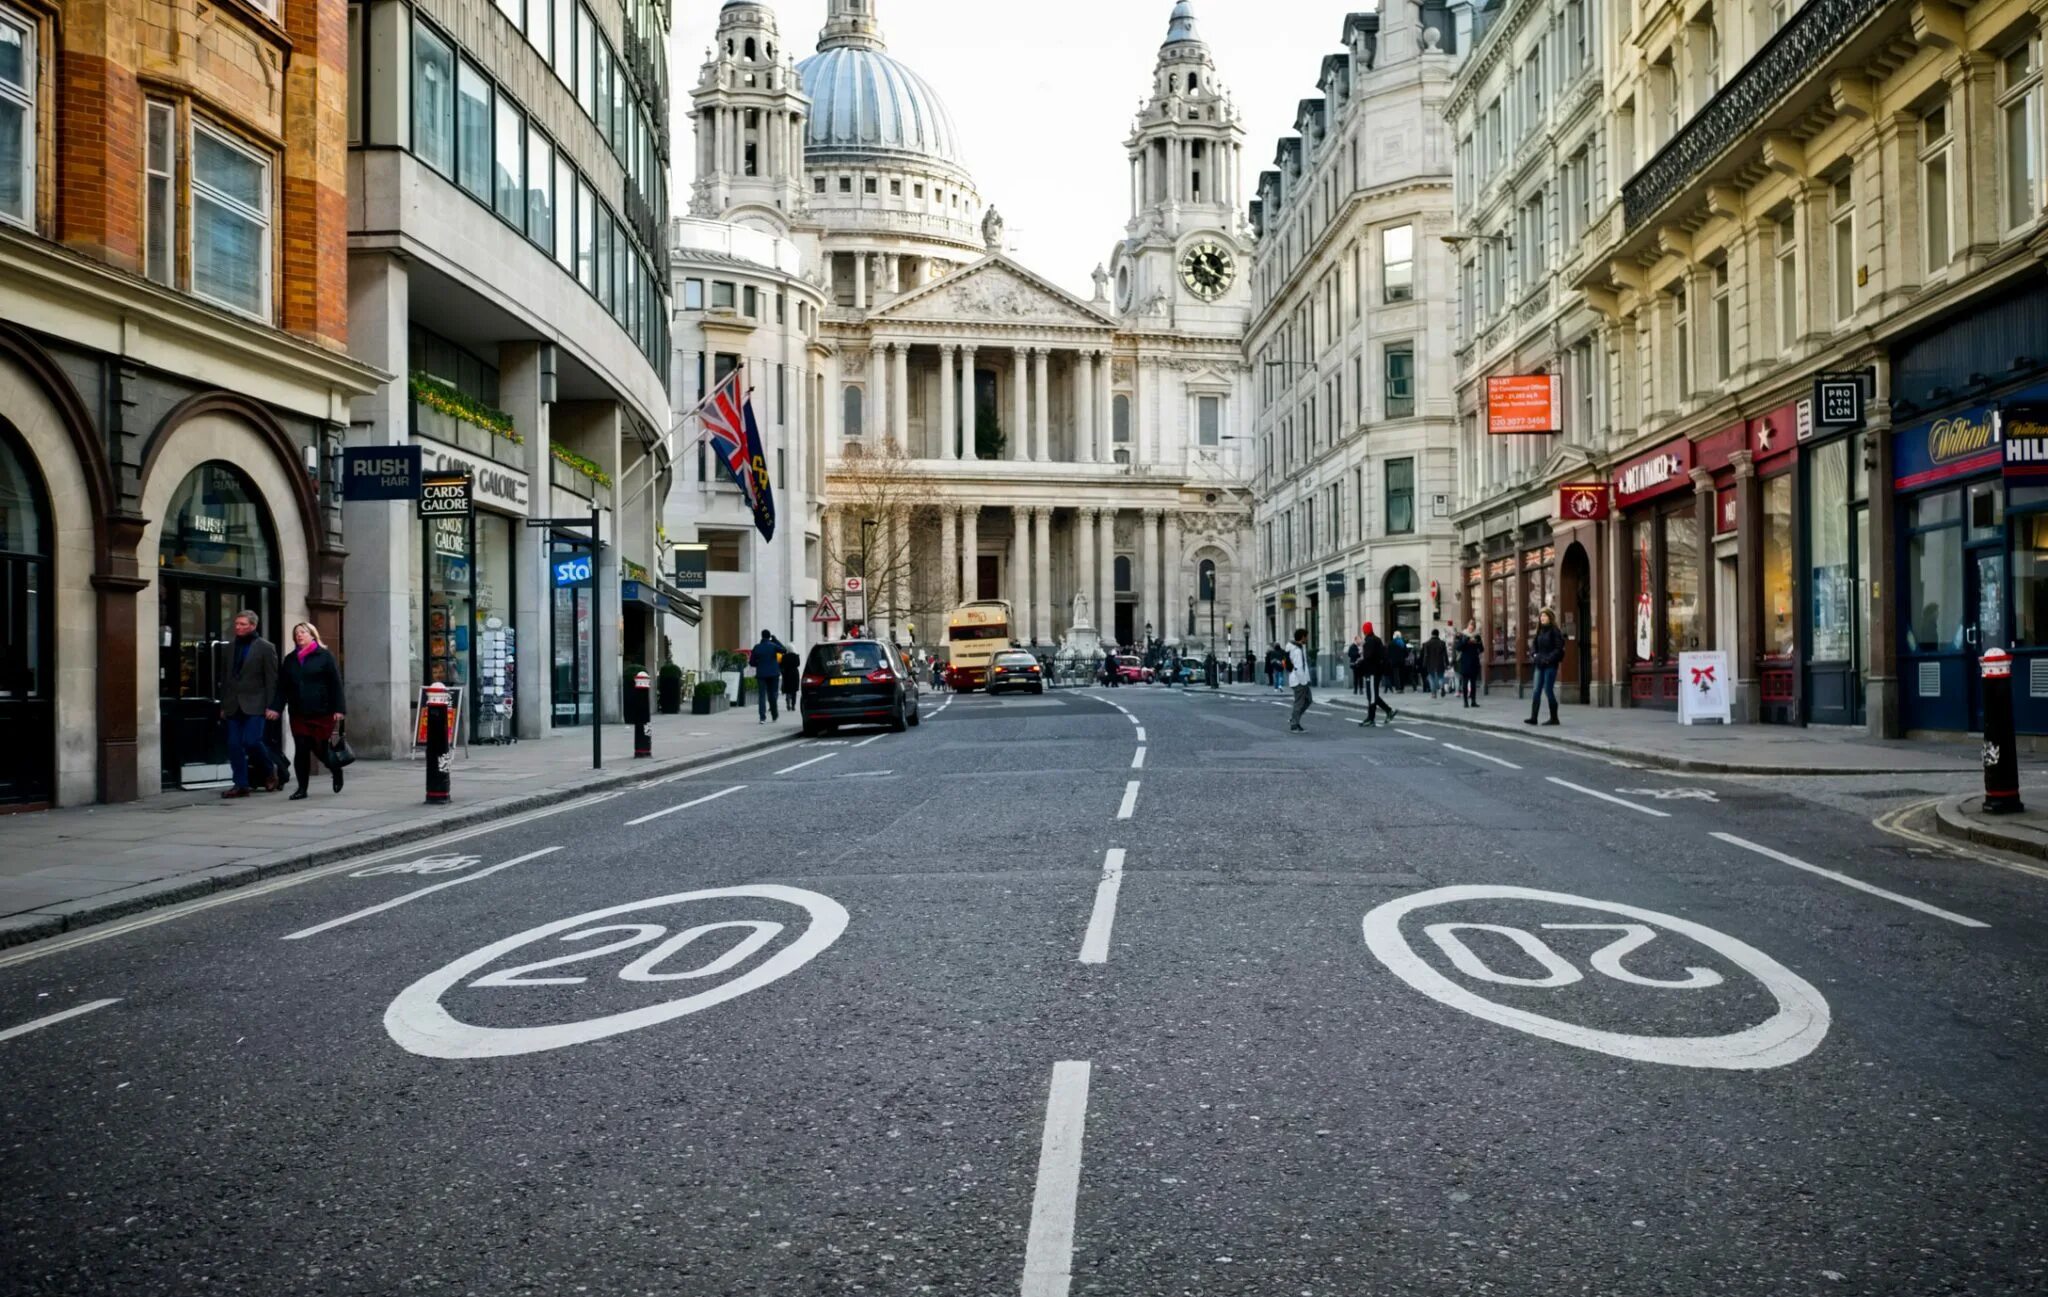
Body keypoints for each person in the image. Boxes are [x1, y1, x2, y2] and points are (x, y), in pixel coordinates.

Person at [275, 621, 345, 800]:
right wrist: (276, 708)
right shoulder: (290, 659)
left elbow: (335, 683)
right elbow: (283, 687)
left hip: (321, 711)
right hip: (298, 711)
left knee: (321, 749)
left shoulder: (324, 656)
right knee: (301, 748)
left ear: (312, 635)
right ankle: (302, 788)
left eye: (303, 632)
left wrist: (339, 708)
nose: (299, 635)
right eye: (297, 633)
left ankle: (335, 769)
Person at [217, 609, 280, 799]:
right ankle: (241, 784)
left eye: (243, 624)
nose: (238, 627)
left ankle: (270, 770)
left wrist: (272, 706)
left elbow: (272, 679)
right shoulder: (229, 647)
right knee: (234, 745)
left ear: (253, 626)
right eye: (236, 624)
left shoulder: (265, 647)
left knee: (251, 741)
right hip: (232, 704)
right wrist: (223, 705)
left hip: (256, 703)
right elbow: (225, 677)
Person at [1528, 606, 1565, 726]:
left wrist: (1548, 659)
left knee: (1548, 690)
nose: (1542, 618)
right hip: (1539, 664)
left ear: (1550, 617)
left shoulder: (1555, 631)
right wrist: (1534, 654)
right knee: (1536, 690)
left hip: (1550, 665)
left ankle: (1554, 718)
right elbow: (1534, 646)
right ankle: (1533, 717)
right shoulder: (1539, 631)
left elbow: (1558, 649)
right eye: (1541, 616)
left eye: (1544, 616)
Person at [1357, 622, 1397, 727]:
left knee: (1372, 696)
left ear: (1365, 630)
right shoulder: (1376, 640)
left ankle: (1371, 718)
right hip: (1375, 671)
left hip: (1372, 672)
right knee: (1373, 695)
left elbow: (1368, 657)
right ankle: (1388, 711)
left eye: (1364, 630)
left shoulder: (1370, 641)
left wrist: (1360, 661)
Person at [749, 630, 785, 722]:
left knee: (762, 695)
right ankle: (774, 715)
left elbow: (751, 662)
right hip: (773, 674)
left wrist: (759, 664)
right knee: (772, 694)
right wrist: (776, 640)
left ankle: (762, 717)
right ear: (769, 637)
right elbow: (784, 650)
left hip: (761, 674)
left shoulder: (757, 647)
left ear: (761, 636)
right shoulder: (773, 646)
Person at [1286, 628, 1313, 732]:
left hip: (1302, 679)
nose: (1307, 638)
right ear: (1302, 637)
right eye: (1306, 636)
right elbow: (1298, 668)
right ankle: (1294, 725)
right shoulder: (1297, 650)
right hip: (1298, 681)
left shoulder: (1300, 648)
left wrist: (1307, 679)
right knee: (1299, 703)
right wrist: (1304, 682)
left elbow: (1304, 666)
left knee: (1308, 700)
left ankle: (1295, 719)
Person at [1457, 620, 1484, 708]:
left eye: (1473, 626)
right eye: (1470, 626)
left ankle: (1473, 701)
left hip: (1474, 661)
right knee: (1465, 683)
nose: (1471, 628)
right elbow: (1458, 647)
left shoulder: (1477, 636)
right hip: (1465, 661)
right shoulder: (1463, 635)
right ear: (1467, 626)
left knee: (1473, 683)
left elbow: (1482, 648)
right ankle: (1465, 702)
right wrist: (1465, 641)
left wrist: (1477, 644)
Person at [1422, 629, 1450, 698]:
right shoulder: (1442, 643)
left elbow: (1426, 655)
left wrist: (1424, 664)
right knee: (1441, 677)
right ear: (1438, 634)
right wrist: (1447, 663)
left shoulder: (1426, 643)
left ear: (1432, 634)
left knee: (1432, 678)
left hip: (1430, 663)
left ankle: (1434, 693)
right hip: (1440, 663)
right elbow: (1445, 655)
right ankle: (1442, 687)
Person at [781, 644, 802, 714]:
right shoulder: (796, 656)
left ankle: (788, 701)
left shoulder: (784, 656)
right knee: (794, 690)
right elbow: (798, 664)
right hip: (794, 674)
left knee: (788, 689)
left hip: (787, 673)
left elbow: (782, 665)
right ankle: (793, 705)